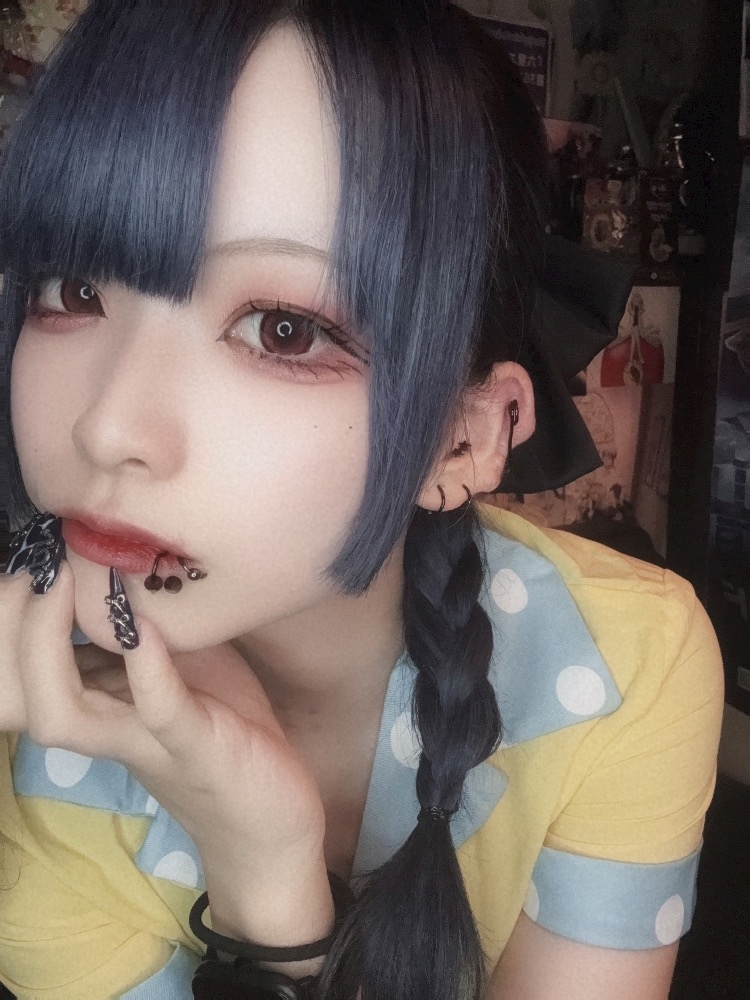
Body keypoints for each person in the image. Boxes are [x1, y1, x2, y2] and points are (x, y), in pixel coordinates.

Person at [0, 2, 724, 998]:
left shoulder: (614, 668)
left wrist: (269, 890)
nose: (106, 426)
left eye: (283, 330)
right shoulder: (44, 749)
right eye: (73, 289)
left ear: (463, 437)